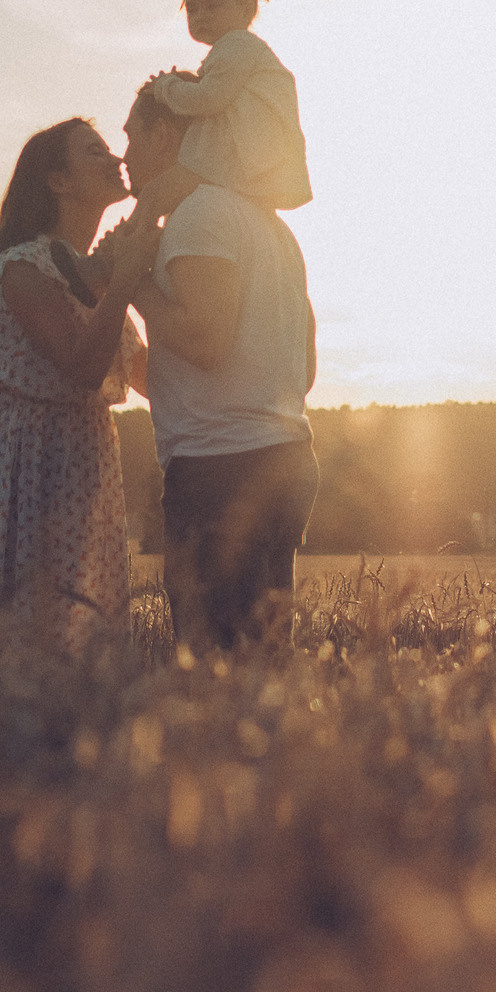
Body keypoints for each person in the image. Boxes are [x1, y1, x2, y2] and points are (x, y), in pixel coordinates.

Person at [120, 85, 318, 649]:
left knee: (214, 663)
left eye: (131, 136)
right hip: (282, 457)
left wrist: (133, 281)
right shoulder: (272, 226)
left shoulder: (199, 213)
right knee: (262, 659)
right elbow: (302, 370)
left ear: (164, 135)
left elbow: (206, 340)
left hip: (222, 472)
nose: (124, 154)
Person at [0, 119, 158, 651]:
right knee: (28, 639)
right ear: (58, 181)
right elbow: (82, 368)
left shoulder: (90, 277)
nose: (115, 160)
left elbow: (155, 381)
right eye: (95, 152)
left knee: (86, 640)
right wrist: (123, 279)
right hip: (31, 467)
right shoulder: (21, 267)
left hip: (85, 464)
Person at [137, 0, 312, 215]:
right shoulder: (237, 50)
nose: (201, 16)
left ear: (246, 7)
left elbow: (207, 99)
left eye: (213, 5)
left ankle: (129, 240)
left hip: (233, 158)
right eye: (192, 9)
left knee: (153, 197)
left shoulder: (237, 43)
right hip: (252, 161)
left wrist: (165, 87)